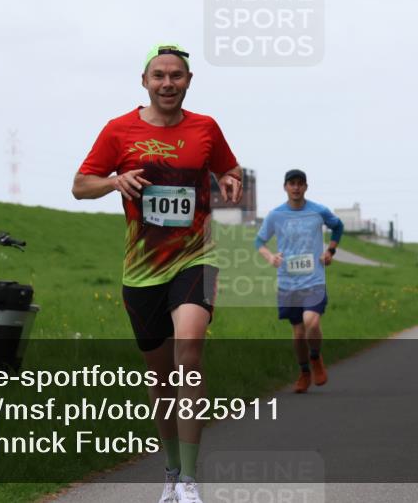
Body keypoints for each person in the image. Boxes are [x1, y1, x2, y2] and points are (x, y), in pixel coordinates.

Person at [72, 43, 242, 503]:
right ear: (145, 82)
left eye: (177, 75)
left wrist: (231, 181)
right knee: (162, 378)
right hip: (143, 270)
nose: (168, 83)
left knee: (190, 350)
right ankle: (170, 471)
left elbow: (230, 170)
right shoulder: (119, 130)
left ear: (189, 81)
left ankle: (189, 479)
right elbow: (80, 186)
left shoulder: (206, 128)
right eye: (159, 76)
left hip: (196, 257)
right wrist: (114, 181)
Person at [256, 169, 344, 394]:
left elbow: (338, 226)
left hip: (314, 279)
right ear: (285, 187)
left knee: (311, 322)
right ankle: (304, 371)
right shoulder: (276, 215)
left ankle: (315, 359)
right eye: (292, 183)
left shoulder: (318, 211)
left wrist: (330, 251)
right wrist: (270, 257)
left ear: (306, 187)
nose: (296, 187)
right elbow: (259, 242)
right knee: (298, 332)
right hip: (288, 282)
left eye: (300, 183)